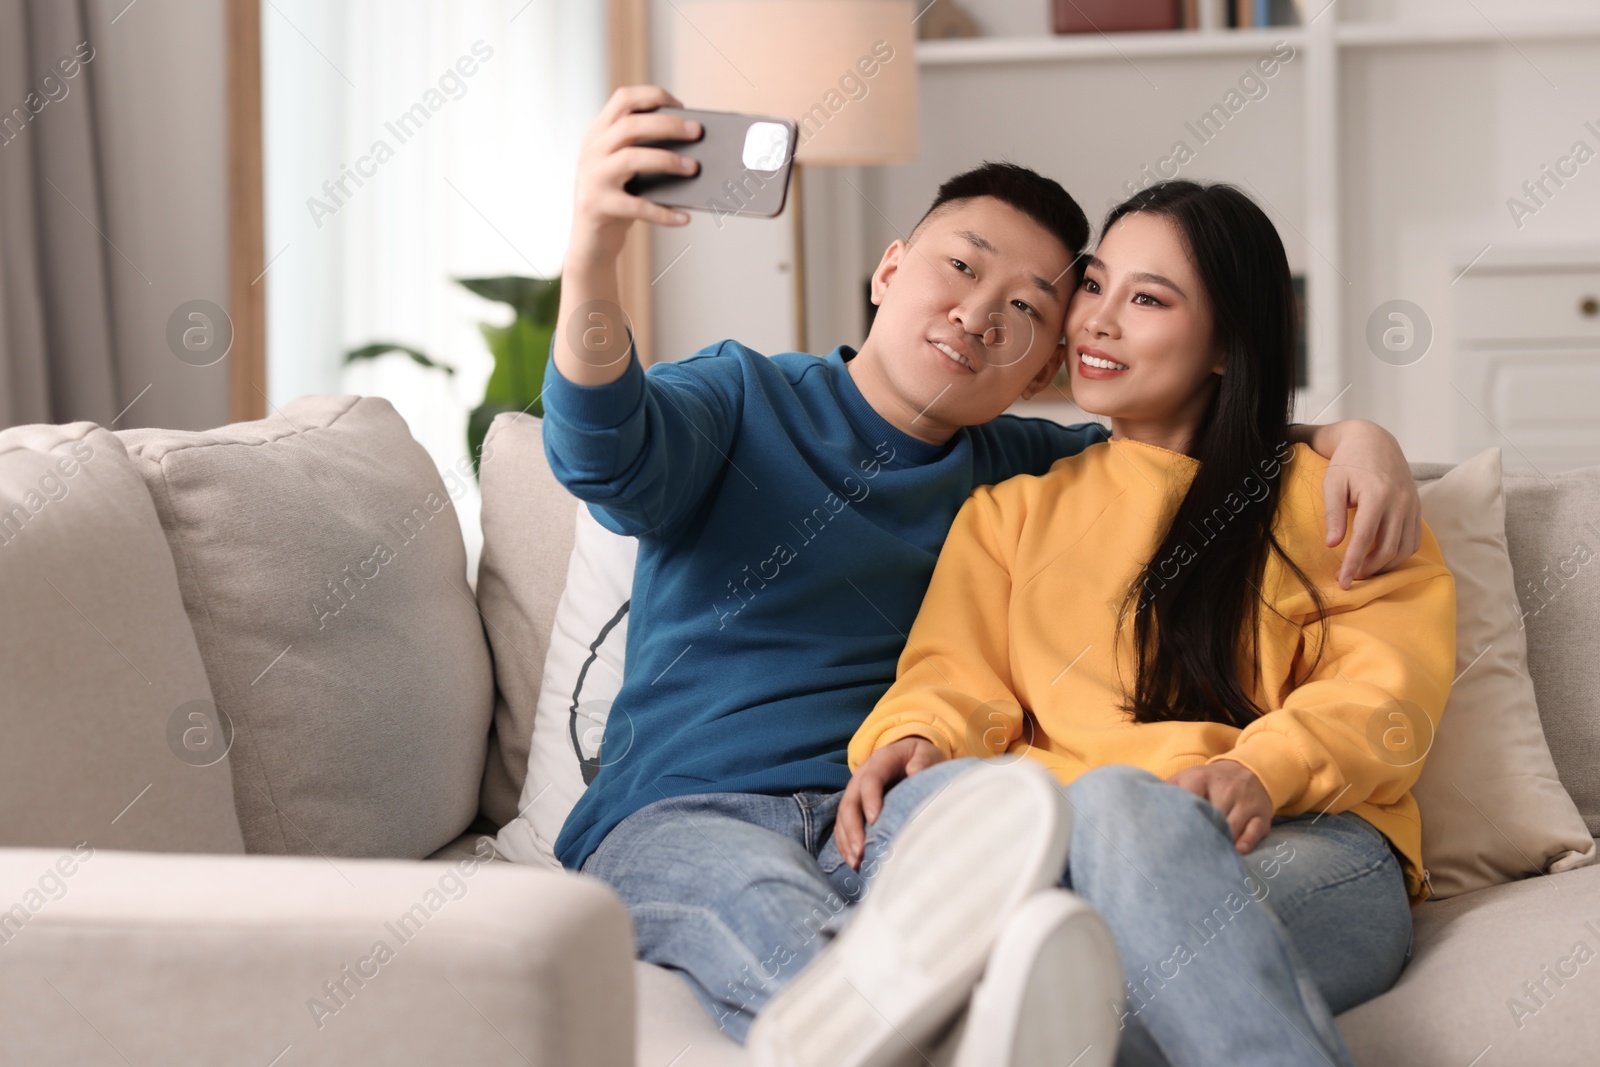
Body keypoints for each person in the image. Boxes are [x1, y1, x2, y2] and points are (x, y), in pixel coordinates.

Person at [546, 84, 1426, 1063]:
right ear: (888, 269)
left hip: (940, 828)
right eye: (958, 267)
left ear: (1045, 358)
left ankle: (931, 1017)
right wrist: (593, 253)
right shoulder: (752, 400)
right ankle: (887, 1015)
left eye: (1030, 304)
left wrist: (1357, 437)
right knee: (798, 904)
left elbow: (1199, 453)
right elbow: (605, 460)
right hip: (705, 809)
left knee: (1053, 936)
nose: (976, 314)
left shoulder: (1025, 468)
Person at [824, 180, 1457, 1066]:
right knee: (931, 826)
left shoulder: (1332, 499)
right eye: (1093, 286)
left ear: (1228, 345)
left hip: (1294, 842)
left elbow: (1390, 698)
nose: (1096, 322)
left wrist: (1258, 771)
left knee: (1083, 906)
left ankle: (950, 998)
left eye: (1147, 299)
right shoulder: (1010, 512)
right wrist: (919, 734)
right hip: (1065, 847)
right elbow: (951, 676)